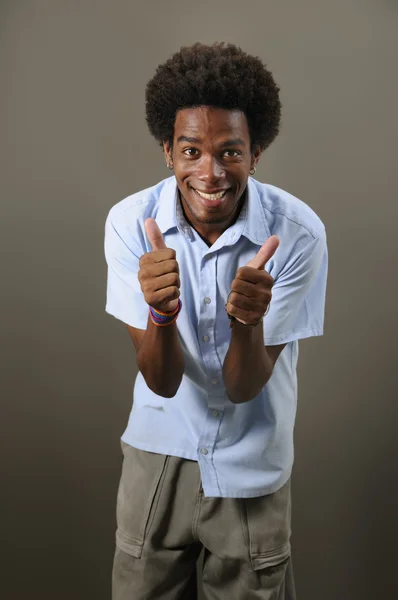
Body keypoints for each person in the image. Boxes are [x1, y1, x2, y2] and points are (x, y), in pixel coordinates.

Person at [104, 42, 328, 600]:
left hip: (252, 465)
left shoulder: (298, 234)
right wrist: (160, 312)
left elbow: (244, 385)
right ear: (167, 151)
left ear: (255, 155)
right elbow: (160, 379)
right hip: (159, 454)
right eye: (191, 151)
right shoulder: (131, 223)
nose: (210, 173)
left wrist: (249, 322)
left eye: (230, 153)